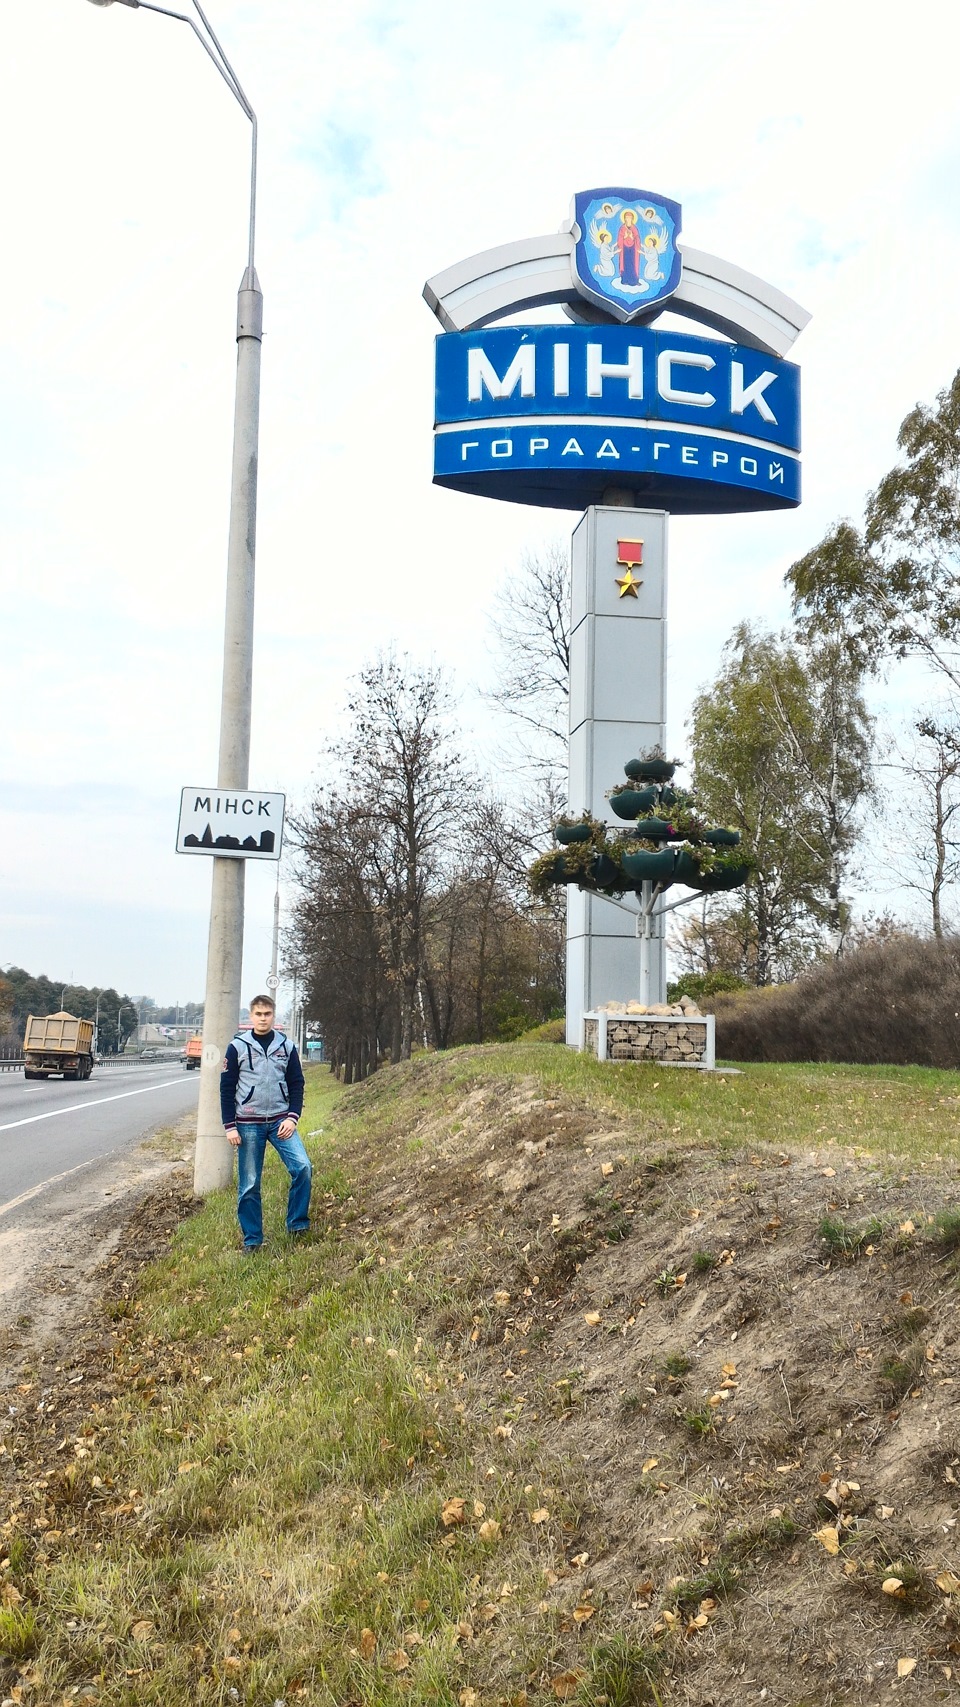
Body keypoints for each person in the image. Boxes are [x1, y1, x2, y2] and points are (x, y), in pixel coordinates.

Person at [220, 994, 310, 1253]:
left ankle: (297, 1224)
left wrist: (293, 1117)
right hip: (248, 1124)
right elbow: (226, 1088)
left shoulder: (287, 1047)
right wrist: (230, 1126)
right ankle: (252, 1240)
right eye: (258, 1014)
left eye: (267, 1014)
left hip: (281, 1122)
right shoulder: (236, 1047)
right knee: (249, 1184)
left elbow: (296, 1084)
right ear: (251, 1017)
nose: (262, 1018)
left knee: (303, 1167)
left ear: (273, 1016)